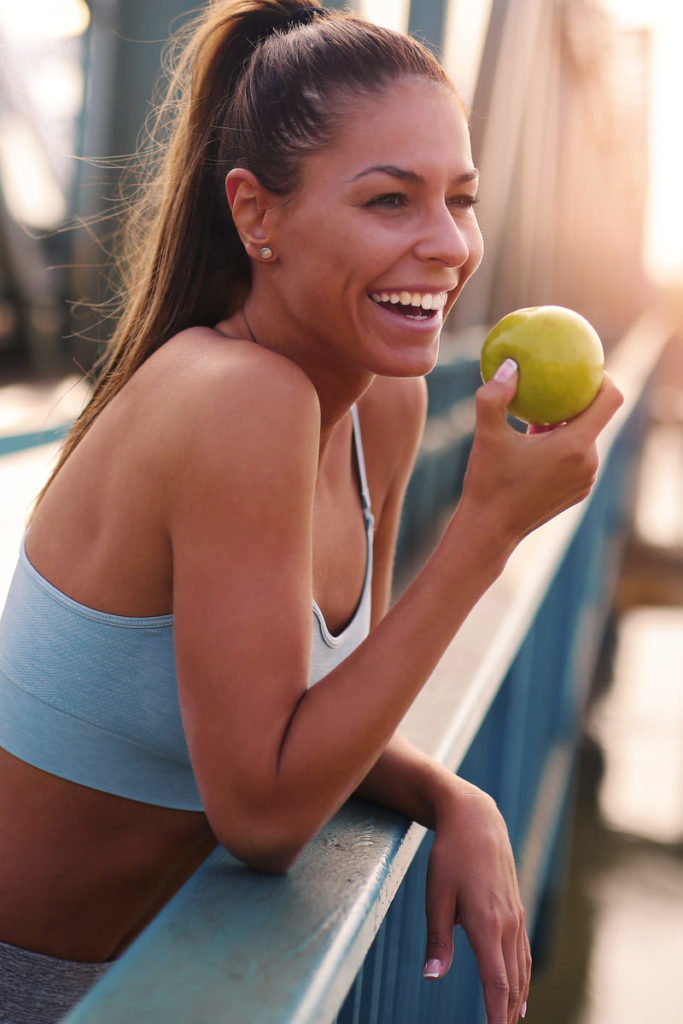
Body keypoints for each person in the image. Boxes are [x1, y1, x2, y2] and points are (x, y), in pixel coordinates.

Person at [0, 2, 623, 1022]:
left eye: (459, 200)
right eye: (389, 201)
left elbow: (308, 717)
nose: (446, 245)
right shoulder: (238, 398)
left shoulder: (381, 402)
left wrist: (446, 795)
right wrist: (485, 532)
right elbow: (265, 811)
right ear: (255, 214)